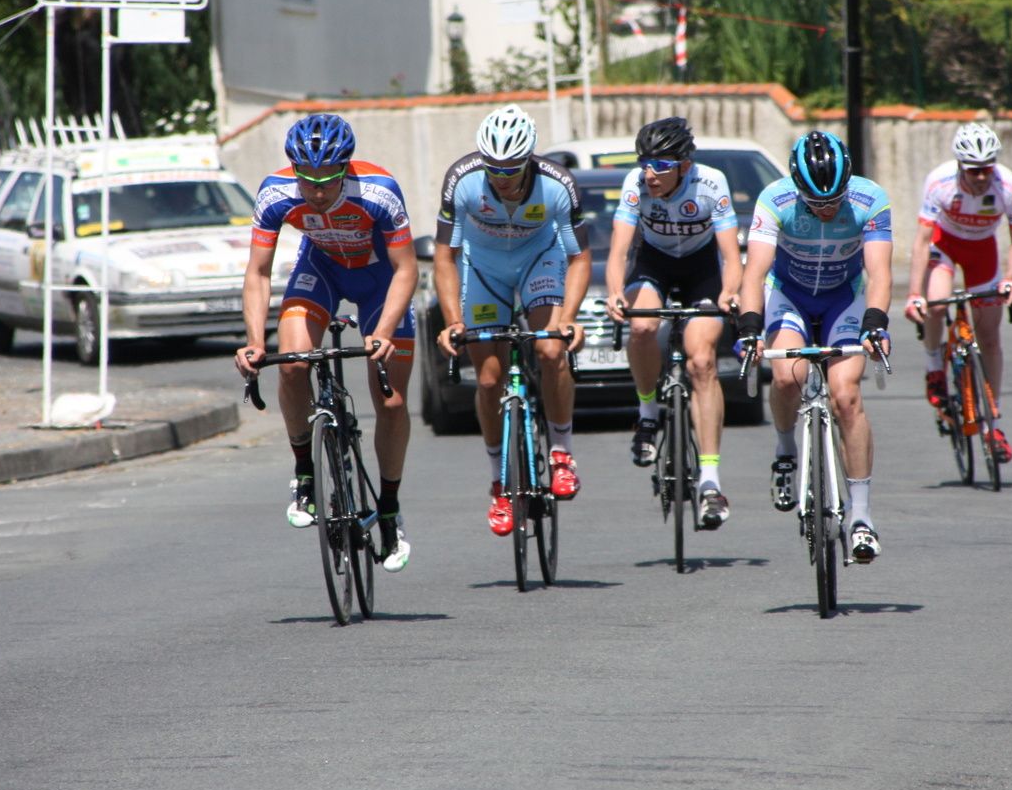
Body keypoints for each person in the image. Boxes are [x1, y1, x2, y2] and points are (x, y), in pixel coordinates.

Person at [234, 113, 419, 573]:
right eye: (308, 179)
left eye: (328, 179)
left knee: (392, 402)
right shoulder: (275, 193)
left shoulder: (379, 191)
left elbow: (407, 270)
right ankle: (304, 472)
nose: (316, 191)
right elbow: (258, 273)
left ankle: (390, 510)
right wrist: (255, 342)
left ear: (345, 168)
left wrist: (382, 331)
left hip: (380, 282)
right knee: (293, 363)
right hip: (323, 271)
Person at [433, 104, 592, 535]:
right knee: (487, 380)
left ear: (529, 160)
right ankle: (499, 483)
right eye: (494, 169)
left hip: (539, 262)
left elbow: (579, 258)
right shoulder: (461, 180)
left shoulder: (558, 184)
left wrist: (570, 319)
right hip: (483, 270)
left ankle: (561, 453)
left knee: (550, 349)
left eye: (512, 169)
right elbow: (445, 257)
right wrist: (452, 322)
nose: (502, 179)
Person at [735, 130, 892, 563]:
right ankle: (786, 451)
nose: (827, 210)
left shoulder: (869, 198)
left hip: (845, 295)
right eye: (816, 202)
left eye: (834, 199)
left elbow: (879, 273)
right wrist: (750, 327)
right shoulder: (776, 199)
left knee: (846, 396)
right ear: (797, 189)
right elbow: (754, 273)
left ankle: (861, 517)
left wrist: (875, 323)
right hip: (790, 295)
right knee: (787, 376)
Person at [604, 116, 742, 529]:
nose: (650, 174)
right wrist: (614, 293)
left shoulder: (711, 183)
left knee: (702, 361)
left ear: (684, 165)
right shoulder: (635, 185)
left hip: (703, 268)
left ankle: (711, 480)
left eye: (661, 165)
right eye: (645, 163)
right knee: (643, 327)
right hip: (656, 263)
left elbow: (732, 257)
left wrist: (729, 293)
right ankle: (648, 413)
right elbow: (617, 254)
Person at [902, 121, 1012, 463]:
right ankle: (934, 369)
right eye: (974, 170)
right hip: (945, 245)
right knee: (937, 306)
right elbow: (922, 240)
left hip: (983, 251)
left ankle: (992, 424)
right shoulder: (939, 183)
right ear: (960, 165)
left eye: (988, 168)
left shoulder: (1010, 188)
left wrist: (1011, 280)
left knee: (989, 338)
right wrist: (915, 293)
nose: (982, 176)